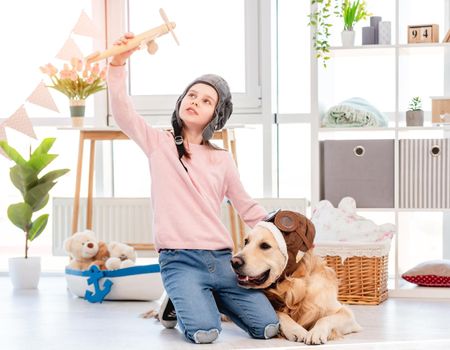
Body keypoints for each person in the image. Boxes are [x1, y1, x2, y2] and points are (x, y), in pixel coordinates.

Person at [107, 32, 279, 344]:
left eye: (206, 100)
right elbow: (123, 113)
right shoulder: (158, 144)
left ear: (217, 115)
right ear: (181, 101)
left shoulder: (222, 159)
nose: (195, 101)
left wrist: (281, 234)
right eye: (191, 95)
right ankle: (183, 297)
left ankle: (194, 297)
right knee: (204, 333)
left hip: (223, 260)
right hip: (179, 259)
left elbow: (247, 207)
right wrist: (117, 64)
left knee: (267, 327)